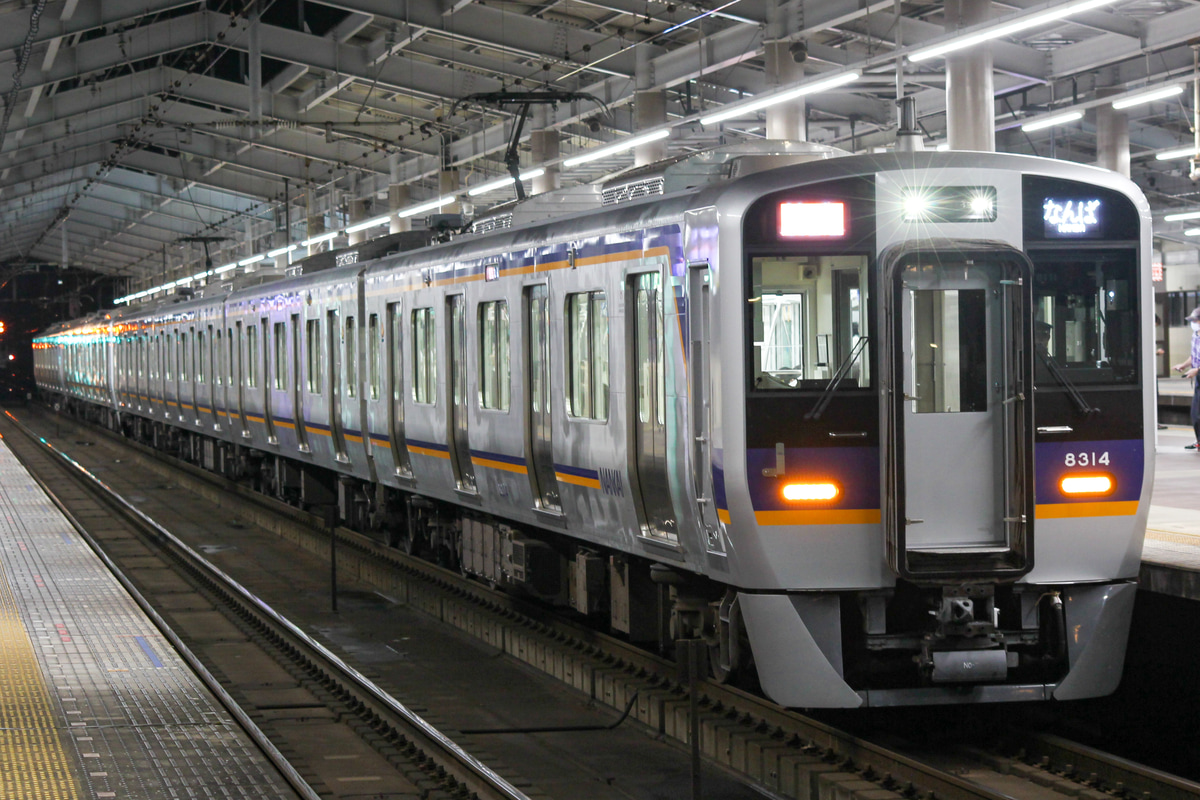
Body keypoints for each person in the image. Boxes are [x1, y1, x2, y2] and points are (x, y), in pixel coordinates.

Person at [1172, 306, 1200, 449]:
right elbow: (1193, 356)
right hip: (1198, 377)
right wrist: (1183, 365)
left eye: (1195, 320)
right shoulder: (1195, 336)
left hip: (1198, 373)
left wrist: (1197, 370)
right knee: (1195, 412)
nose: (1193, 323)